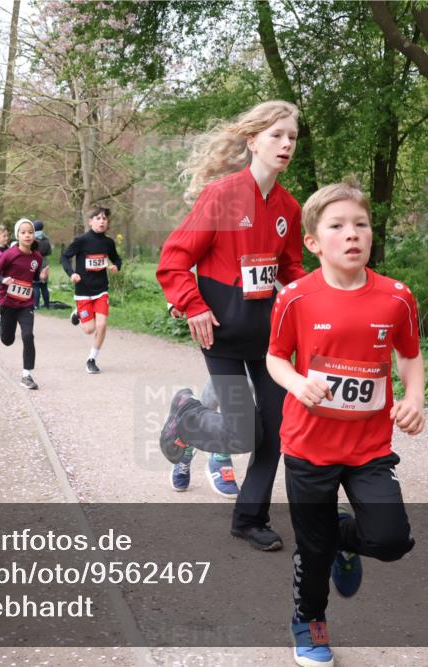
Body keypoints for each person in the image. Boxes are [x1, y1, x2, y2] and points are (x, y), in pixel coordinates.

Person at [265, 182, 424, 666]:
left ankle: (340, 535)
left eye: (361, 224)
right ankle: (309, 623)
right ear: (313, 241)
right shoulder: (295, 297)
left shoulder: (396, 298)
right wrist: (296, 383)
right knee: (312, 554)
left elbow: (410, 357)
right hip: (308, 446)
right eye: (337, 226)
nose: (352, 234)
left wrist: (414, 398)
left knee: (391, 540)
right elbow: (275, 358)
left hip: (369, 446)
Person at [156, 101, 307, 552]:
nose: (285, 144)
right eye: (276, 135)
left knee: (276, 428)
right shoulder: (222, 196)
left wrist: (324, 301)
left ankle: (248, 518)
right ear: (253, 140)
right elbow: (175, 259)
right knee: (242, 432)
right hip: (220, 332)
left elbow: (291, 270)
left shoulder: (289, 208)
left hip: (268, 339)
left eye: (292, 138)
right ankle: (186, 416)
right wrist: (192, 305)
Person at [61, 206, 122, 373]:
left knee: (102, 325)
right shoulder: (81, 240)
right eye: (98, 218)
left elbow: (116, 258)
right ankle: (78, 313)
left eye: (104, 219)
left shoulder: (108, 242)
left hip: (101, 290)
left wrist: (116, 266)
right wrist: (72, 274)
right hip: (83, 292)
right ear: (90, 221)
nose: (101, 221)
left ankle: (91, 359)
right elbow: (65, 257)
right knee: (89, 329)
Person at [0, 218, 46, 389]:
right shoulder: (9, 254)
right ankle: (0, 315)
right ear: (18, 235)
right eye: (23, 232)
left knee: (28, 336)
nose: (27, 235)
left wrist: (41, 277)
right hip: (7, 302)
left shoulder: (37, 256)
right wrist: (4, 280)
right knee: (7, 340)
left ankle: (26, 375)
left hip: (26, 304)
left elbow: (34, 277)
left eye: (30, 232)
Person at [32, 220, 53, 309]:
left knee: (36, 285)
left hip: (35, 262)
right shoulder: (46, 239)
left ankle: (36, 305)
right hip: (44, 262)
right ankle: (47, 304)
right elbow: (49, 252)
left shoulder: (33, 239)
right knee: (44, 285)